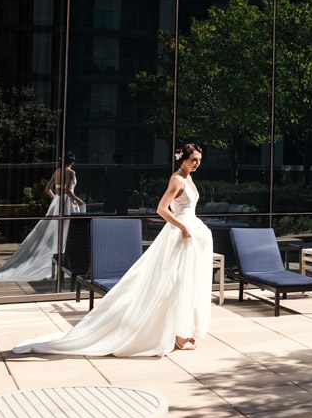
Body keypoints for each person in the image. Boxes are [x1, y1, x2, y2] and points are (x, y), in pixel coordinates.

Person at [13, 144, 213, 356]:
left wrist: (186, 220)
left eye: (199, 160)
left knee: (183, 282)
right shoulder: (177, 179)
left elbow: (180, 206)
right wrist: (182, 225)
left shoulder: (189, 178)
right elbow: (162, 209)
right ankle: (177, 335)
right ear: (183, 159)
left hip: (188, 234)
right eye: (194, 160)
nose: (197, 164)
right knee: (174, 282)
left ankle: (179, 329)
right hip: (181, 234)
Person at [0, 152, 86, 282]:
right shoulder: (71, 173)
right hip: (67, 204)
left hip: (58, 203)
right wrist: (79, 201)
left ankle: (55, 264)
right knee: (66, 233)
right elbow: (68, 191)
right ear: (72, 162)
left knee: (56, 234)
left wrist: (56, 199)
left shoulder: (57, 171)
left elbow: (47, 189)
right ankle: (62, 264)